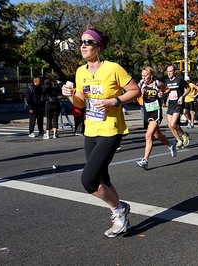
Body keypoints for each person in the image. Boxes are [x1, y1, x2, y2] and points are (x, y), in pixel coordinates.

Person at [61, 28, 141, 237]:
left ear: (98, 47)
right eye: (81, 42)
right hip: (91, 128)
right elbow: (80, 101)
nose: (83, 45)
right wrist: (70, 95)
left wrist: (114, 101)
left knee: (89, 180)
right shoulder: (80, 72)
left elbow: (135, 90)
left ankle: (119, 209)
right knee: (102, 177)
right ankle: (119, 215)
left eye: (88, 42)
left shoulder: (113, 68)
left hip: (110, 128)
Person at [135, 66, 177, 170]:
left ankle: (145, 160)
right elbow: (135, 94)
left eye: (146, 75)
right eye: (142, 75)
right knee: (157, 135)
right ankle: (170, 144)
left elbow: (167, 89)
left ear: (151, 75)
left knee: (148, 135)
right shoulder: (141, 84)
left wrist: (162, 93)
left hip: (156, 111)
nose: (144, 77)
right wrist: (140, 94)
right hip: (147, 111)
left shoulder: (158, 83)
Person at [164, 65, 190, 149]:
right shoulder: (166, 81)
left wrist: (182, 96)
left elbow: (188, 88)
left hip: (178, 103)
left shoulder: (179, 79)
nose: (169, 73)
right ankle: (179, 140)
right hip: (170, 104)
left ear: (174, 72)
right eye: (168, 71)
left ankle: (184, 134)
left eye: (170, 71)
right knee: (170, 125)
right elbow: (166, 91)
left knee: (173, 123)